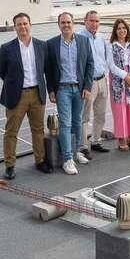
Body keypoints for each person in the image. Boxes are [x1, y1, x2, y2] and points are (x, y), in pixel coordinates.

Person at [0, 13, 52, 179]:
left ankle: (40, 160)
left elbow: (47, 70)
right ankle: (10, 165)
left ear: (30, 25)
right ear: (14, 27)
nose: (23, 27)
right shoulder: (7, 48)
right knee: (11, 131)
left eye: (25, 23)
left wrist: (50, 90)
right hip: (17, 95)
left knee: (38, 130)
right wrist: (15, 85)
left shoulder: (42, 46)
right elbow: (2, 72)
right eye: (19, 24)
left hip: (37, 94)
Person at [46, 12, 94, 175]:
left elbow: (90, 64)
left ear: (73, 23)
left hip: (79, 89)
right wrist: (51, 90)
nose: (66, 25)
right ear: (59, 25)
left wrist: (87, 86)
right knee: (65, 124)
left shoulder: (83, 41)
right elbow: (48, 70)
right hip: (62, 89)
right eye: (63, 22)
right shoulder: (51, 44)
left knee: (77, 121)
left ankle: (77, 151)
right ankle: (67, 159)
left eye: (68, 22)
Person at [77, 10, 110, 156]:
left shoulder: (101, 38)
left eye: (97, 21)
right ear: (85, 21)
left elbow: (105, 59)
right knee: (84, 116)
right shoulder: (79, 37)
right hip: (88, 83)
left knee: (100, 114)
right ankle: (83, 146)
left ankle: (96, 141)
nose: (94, 24)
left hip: (102, 79)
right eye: (91, 21)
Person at [107, 19, 130, 151]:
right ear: (115, 31)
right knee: (119, 108)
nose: (122, 30)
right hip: (118, 78)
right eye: (119, 28)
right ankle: (121, 138)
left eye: (124, 28)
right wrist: (125, 76)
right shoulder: (111, 45)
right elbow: (111, 66)